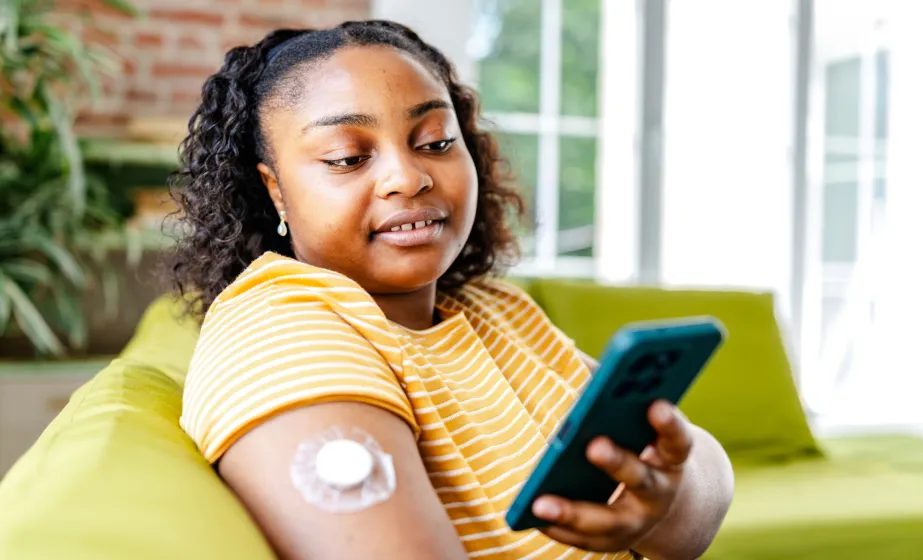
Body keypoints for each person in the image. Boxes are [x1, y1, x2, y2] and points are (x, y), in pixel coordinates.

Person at [172, 21, 733, 560]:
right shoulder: (284, 331)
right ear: (275, 189)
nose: (408, 177)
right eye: (348, 158)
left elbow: (704, 483)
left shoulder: (497, 309)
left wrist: (659, 505)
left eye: (436, 142)